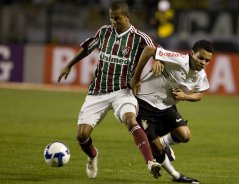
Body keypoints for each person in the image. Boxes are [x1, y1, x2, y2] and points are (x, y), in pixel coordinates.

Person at [57, 0, 161, 179]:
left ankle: (151, 162)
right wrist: (69, 64)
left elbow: (156, 49)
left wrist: (158, 59)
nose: (114, 22)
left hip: (123, 91)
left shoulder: (139, 37)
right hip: (98, 91)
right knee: (82, 136)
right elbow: (87, 48)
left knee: (130, 119)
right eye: (111, 18)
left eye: (117, 18)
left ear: (128, 17)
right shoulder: (104, 32)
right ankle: (93, 155)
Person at [130, 40, 214, 183]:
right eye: (201, 58)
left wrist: (185, 96)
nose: (203, 63)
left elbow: (200, 94)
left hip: (166, 107)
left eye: (207, 60)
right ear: (192, 53)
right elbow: (149, 50)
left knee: (185, 136)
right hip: (145, 104)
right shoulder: (178, 59)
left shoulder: (200, 75)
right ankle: (176, 176)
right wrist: (136, 78)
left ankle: (164, 143)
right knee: (155, 148)